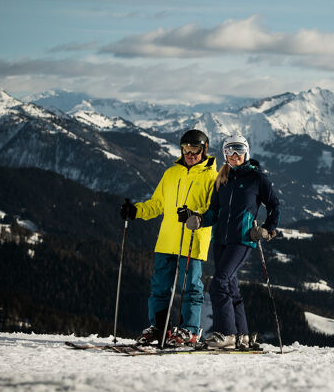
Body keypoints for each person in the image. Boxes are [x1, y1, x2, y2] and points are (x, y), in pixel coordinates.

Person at [120, 129, 217, 345]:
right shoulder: (171, 173)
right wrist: (136, 211)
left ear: (204, 150)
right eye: (186, 149)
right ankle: (159, 328)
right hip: (166, 240)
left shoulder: (212, 177)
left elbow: (213, 211)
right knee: (160, 287)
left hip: (193, 241)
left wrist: (194, 215)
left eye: (195, 149)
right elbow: (157, 204)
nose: (190, 153)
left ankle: (189, 330)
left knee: (191, 287)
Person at [185, 134, 280, 350]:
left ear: (247, 152)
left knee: (219, 283)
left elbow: (274, 206)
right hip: (221, 240)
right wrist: (199, 220)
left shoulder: (257, 179)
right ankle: (242, 336)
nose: (234, 155)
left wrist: (267, 230)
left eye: (238, 150)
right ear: (224, 154)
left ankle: (226, 333)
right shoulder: (222, 180)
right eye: (229, 150)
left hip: (243, 239)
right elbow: (214, 212)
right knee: (230, 286)